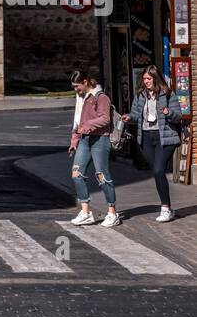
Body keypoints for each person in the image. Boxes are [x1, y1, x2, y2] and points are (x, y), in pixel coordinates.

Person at [126, 65, 182, 221]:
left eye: (148, 79)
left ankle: (165, 208)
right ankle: (168, 208)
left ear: (155, 79)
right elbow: (136, 115)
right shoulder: (140, 95)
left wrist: (168, 112)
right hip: (146, 137)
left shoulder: (169, 95)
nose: (145, 82)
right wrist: (129, 118)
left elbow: (178, 117)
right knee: (157, 173)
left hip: (165, 137)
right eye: (144, 79)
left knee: (158, 170)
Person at [68, 67, 120, 227]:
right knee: (76, 174)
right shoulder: (81, 98)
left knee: (102, 175)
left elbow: (105, 119)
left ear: (85, 82)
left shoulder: (101, 97)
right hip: (84, 140)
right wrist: (74, 139)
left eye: (77, 86)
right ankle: (86, 212)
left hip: (100, 140)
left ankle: (112, 212)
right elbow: (78, 121)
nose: (76, 90)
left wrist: (88, 125)